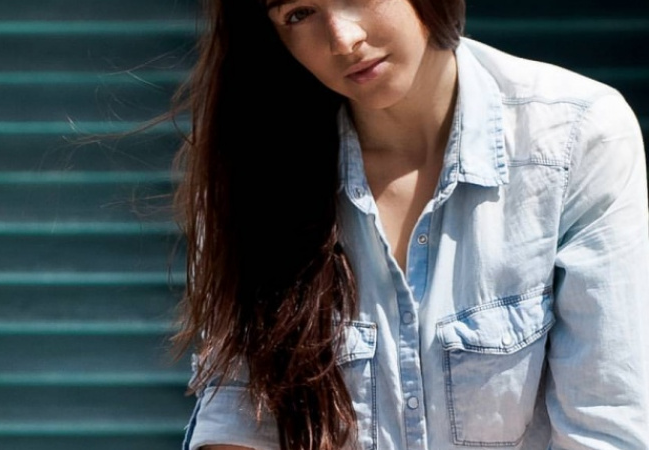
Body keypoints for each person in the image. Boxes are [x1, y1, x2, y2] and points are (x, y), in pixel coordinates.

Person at [169, 0, 649, 448]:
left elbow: (605, 425)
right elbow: (238, 420)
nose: (342, 39)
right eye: (299, 13)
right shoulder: (251, 175)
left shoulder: (576, 139)